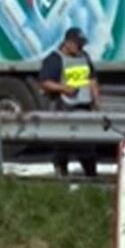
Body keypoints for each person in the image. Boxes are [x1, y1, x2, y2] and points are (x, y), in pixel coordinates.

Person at [39, 27, 101, 177]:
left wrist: (96, 100)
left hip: (84, 105)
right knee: (63, 143)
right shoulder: (54, 59)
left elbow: (91, 79)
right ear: (67, 43)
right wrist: (63, 88)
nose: (80, 47)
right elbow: (44, 82)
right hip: (64, 106)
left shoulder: (84, 57)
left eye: (82, 44)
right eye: (77, 44)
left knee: (87, 144)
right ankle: (62, 173)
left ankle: (91, 176)